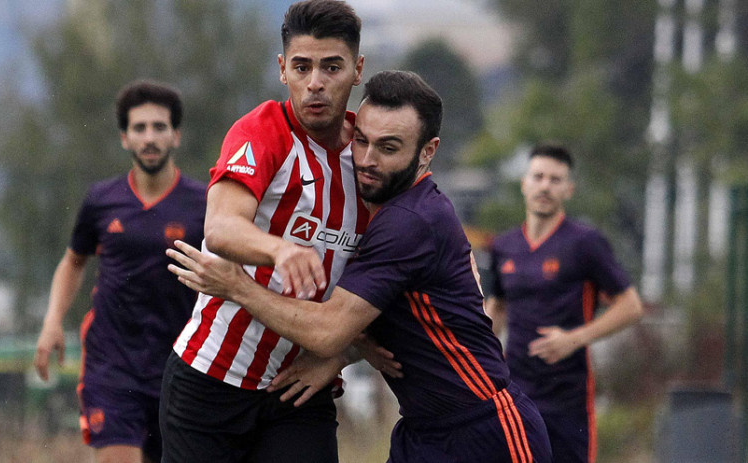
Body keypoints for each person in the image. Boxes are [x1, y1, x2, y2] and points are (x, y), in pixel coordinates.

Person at [167, 70, 553, 463]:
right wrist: (345, 352)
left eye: (388, 148)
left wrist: (238, 286)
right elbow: (378, 314)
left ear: (428, 151)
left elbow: (328, 330)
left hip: (485, 432)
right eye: (362, 141)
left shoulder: (410, 221)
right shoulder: (386, 211)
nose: (367, 160)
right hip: (422, 432)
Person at [158, 2, 394, 462]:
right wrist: (279, 250)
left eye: (332, 67)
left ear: (358, 69)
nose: (316, 83)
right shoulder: (263, 130)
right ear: (283, 69)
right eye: (302, 67)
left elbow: (403, 269)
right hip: (210, 381)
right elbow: (222, 227)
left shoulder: (373, 159)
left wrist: (338, 357)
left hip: (300, 391)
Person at [33, 80, 207, 463]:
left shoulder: (204, 204)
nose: (149, 137)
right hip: (111, 366)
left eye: (159, 127)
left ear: (176, 136)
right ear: (124, 138)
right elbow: (73, 261)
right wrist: (52, 322)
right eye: (139, 128)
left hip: (181, 367)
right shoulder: (101, 200)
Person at [483, 144, 645, 463]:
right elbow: (497, 308)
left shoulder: (585, 243)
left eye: (555, 179)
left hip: (567, 396)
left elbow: (631, 306)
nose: (545, 185)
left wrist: (574, 339)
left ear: (568, 190)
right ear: (524, 184)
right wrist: (481, 355)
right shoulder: (503, 246)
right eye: (538, 176)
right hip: (514, 389)